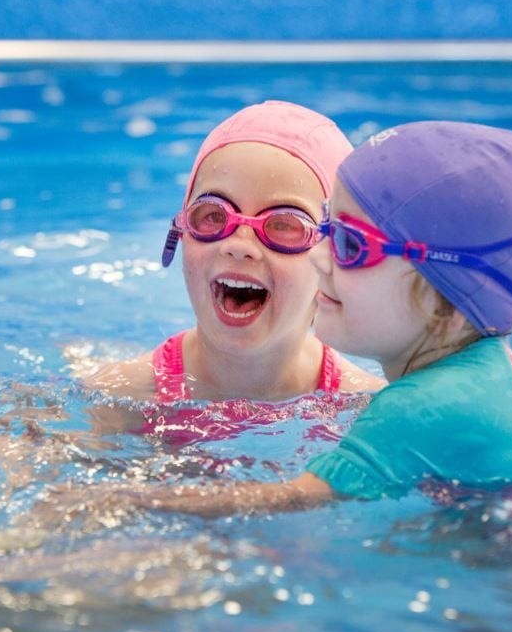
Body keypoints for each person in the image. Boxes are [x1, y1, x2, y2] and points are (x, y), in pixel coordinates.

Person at [58, 121, 512, 521]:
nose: (325, 263)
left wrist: (122, 502)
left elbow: (284, 501)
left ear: (443, 294)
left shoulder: (404, 410)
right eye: (213, 216)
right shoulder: (468, 376)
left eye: (345, 244)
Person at [82, 100, 382, 445]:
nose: (239, 245)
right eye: (213, 215)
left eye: (284, 225)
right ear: (180, 232)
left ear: (332, 260)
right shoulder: (120, 399)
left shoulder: (363, 411)